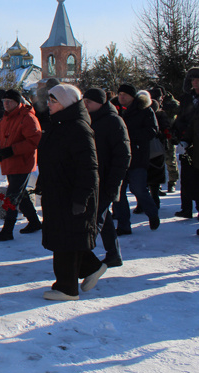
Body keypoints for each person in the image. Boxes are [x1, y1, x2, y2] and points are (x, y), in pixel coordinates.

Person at [38, 84, 103, 301]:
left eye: (53, 100)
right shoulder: (58, 124)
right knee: (65, 236)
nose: (49, 104)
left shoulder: (78, 127)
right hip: (57, 190)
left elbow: (89, 168)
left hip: (71, 194)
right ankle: (92, 266)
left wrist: (81, 198)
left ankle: (67, 288)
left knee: (66, 239)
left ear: (66, 102)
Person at [83, 88, 131, 267]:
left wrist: (115, 182)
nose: (86, 105)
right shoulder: (88, 119)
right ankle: (114, 254)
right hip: (94, 178)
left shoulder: (114, 121)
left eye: (89, 101)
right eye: (84, 101)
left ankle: (82, 256)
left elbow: (123, 155)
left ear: (101, 103)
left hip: (108, 179)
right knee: (104, 217)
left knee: (94, 219)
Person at [0, 89, 42, 241]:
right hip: (10, 163)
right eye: (4, 101)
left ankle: (7, 230)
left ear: (18, 102)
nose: (6, 104)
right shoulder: (5, 118)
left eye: (9, 101)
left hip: (22, 163)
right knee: (21, 194)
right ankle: (34, 222)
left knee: (12, 197)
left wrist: (11, 150)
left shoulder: (27, 118)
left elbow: (34, 141)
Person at [112, 84, 160, 233]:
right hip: (119, 157)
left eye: (125, 94)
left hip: (138, 156)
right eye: (120, 94)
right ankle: (123, 225)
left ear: (133, 97)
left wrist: (130, 137)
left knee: (138, 189)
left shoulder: (144, 110)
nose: (122, 97)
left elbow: (152, 130)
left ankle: (152, 213)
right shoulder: (114, 110)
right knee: (118, 192)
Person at [172, 67, 199, 235]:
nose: (195, 82)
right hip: (189, 142)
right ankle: (187, 207)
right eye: (192, 80)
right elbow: (182, 118)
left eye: (198, 79)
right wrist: (179, 135)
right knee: (189, 178)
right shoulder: (187, 98)